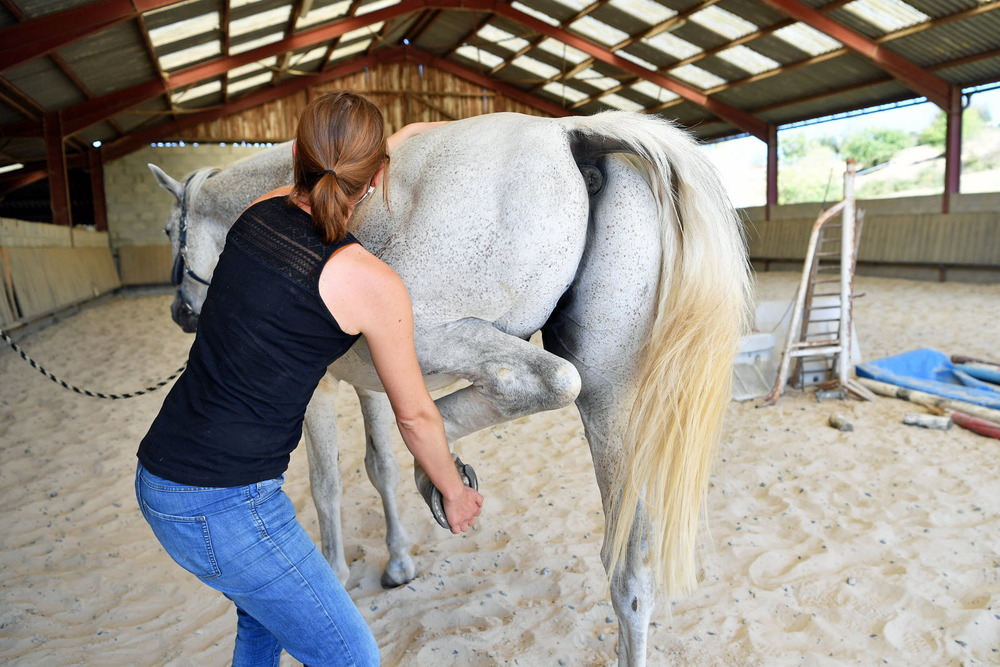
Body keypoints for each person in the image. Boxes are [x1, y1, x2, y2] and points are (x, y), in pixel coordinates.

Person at [135, 91, 483, 666]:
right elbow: (416, 415)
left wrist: (393, 142)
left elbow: (329, 173)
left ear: (297, 153)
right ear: (375, 181)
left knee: (263, 624)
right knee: (352, 656)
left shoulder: (258, 211)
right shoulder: (371, 285)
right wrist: (453, 490)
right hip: (223, 504)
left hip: (165, 474)